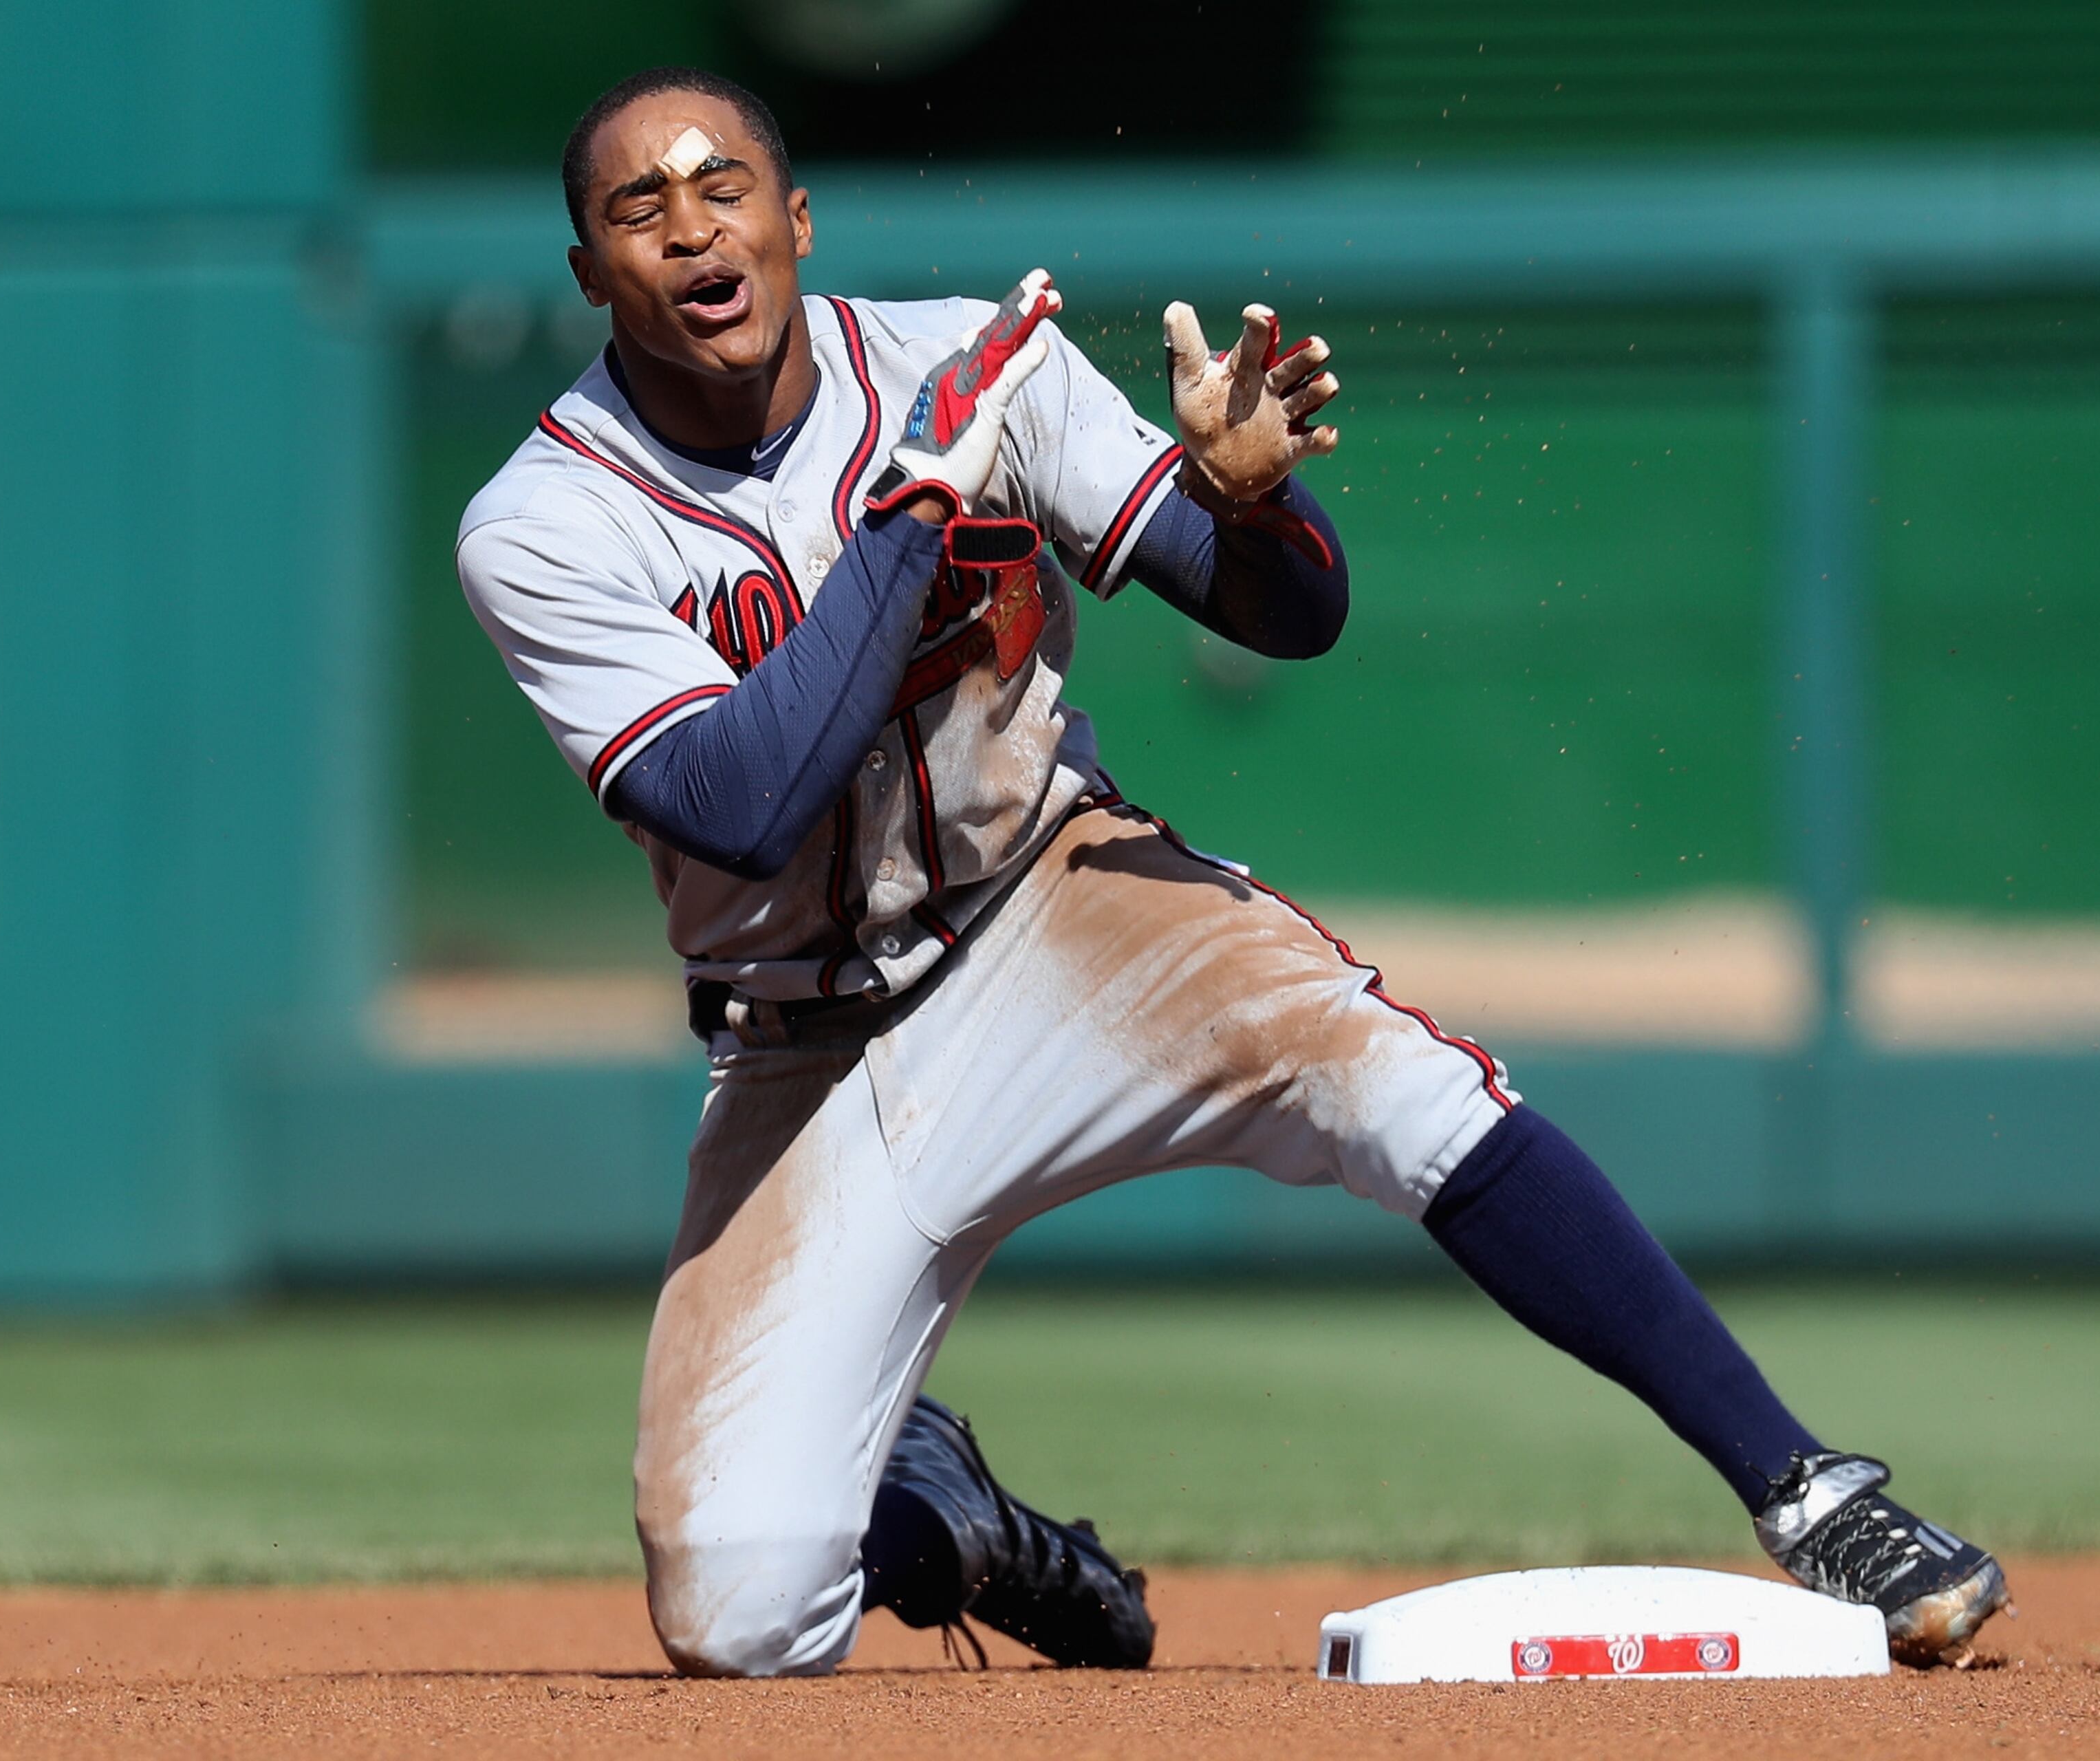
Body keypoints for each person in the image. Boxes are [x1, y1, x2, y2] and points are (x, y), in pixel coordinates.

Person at [456, 65, 2012, 1678]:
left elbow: (1286, 613)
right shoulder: (546, 520)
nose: (693, 230)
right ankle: (947, 1509)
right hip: (803, 1040)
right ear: (591, 271)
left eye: (726, 188)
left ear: (796, 217)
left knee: (1401, 1086)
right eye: (639, 209)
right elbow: (741, 800)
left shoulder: (967, 363)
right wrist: (914, 514)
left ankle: (1815, 1491)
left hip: (1058, 911)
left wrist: (1256, 502)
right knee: (740, 1609)